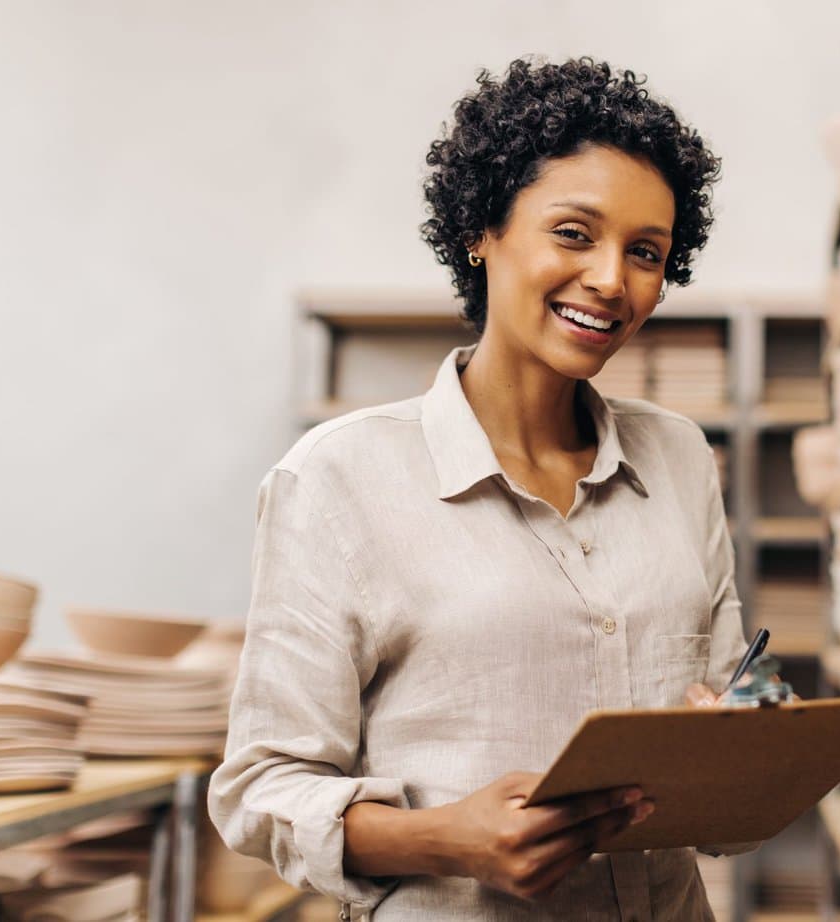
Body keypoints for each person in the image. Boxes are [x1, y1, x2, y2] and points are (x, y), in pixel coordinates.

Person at [208, 57, 753, 920]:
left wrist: (748, 736)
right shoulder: (338, 478)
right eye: (574, 233)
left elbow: (733, 696)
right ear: (481, 232)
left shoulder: (680, 457)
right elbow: (263, 789)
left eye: (646, 253)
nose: (613, 279)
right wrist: (448, 837)